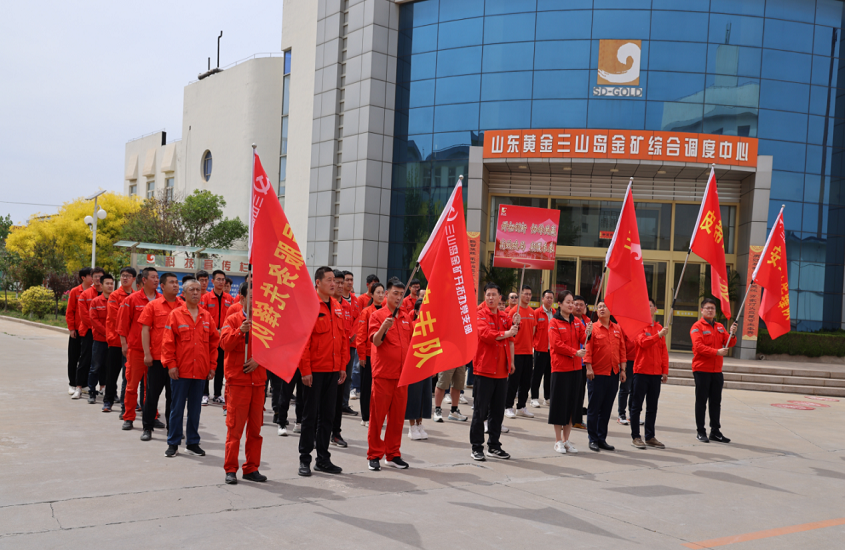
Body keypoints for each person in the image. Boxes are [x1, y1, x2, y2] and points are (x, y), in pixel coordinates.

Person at [297, 266, 348, 477]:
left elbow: (343, 339)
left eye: (334, 280)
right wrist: (305, 370)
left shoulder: (337, 306)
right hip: (314, 371)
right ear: (317, 282)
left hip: (333, 370)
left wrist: (343, 366)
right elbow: (303, 342)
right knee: (310, 417)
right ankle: (304, 459)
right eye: (329, 280)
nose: (333, 284)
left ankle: (323, 459)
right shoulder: (309, 306)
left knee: (327, 416)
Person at [161, 278, 219, 458]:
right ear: (183, 294)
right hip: (181, 371)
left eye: (198, 290)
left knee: (195, 409)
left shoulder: (206, 316)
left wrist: (212, 366)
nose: (195, 293)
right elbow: (167, 343)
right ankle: (173, 443)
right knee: (176, 408)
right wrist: (171, 364)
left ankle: (193, 442)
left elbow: (213, 344)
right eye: (191, 290)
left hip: (200, 371)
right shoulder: (176, 315)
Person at [220, 282, 268, 484]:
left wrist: (259, 359)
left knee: (255, 430)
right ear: (242, 299)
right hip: (238, 383)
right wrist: (240, 330)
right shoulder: (232, 319)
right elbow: (224, 344)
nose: (256, 303)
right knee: (235, 429)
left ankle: (251, 468)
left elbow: (272, 349)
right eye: (252, 298)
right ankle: (231, 468)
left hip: (257, 383)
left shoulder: (266, 321)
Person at [366, 279, 412, 470]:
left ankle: (393, 454)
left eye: (401, 294)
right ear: (386, 294)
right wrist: (384, 326)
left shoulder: (406, 317)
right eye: (395, 293)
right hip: (384, 374)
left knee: (397, 418)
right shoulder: (377, 315)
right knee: (378, 416)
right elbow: (376, 342)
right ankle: (374, 454)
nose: (399, 297)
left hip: (402, 376)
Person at [470, 283, 518, 461]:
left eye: (494, 295)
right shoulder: (480, 314)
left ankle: (494, 445)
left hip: (501, 372)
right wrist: (507, 332)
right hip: (484, 369)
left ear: (500, 298)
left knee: (497, 412)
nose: (490, 298)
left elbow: (511, 338)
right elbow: (487, 335)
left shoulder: (505, 316)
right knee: (480, 411)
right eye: (488, 295)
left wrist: (511, 361)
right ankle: (476, 447)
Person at [138, 272, 182, 441]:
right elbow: (145, 330)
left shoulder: (183, 306)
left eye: (177, 282)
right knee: (152, 396)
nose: (176, 285)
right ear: (162, 286)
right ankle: (147, 427)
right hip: (156, 359)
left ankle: (173, 429)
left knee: (174, 398)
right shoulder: (153, 306)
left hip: (176, 361)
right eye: (171, 282)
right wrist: (147, 353)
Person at [117, 267, 161, 430]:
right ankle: (128, 417)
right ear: (144, 280)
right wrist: (124, 344)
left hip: (156, 351)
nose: (156, 280)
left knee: (152, 387)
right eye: (153, 277)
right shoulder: (132, 300)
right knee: (132, 385)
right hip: (136, 349)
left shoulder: (161, 300)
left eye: (158, 277)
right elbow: (122, 325)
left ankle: (152, 415)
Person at [691, 298, 737, 444]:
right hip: (702, 369)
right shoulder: (696, 327)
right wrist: (716, 352)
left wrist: (733, 334)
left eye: (712, 308)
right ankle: (700, 431)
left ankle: (715, 431)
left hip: (717, 370)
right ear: (702, 310)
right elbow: (698, 347)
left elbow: (729, 342)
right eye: (707, 308)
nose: (710, 310)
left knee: (716, 402)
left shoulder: (719, 327)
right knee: (701, 401)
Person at [548, 291, 589, 454]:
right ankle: (557, 440)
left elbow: (583, 339)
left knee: (573, 406)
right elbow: (556, 344)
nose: (571, 305)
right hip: (560, 369)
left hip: (576, 370)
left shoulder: (577, 322)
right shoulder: (554, 322)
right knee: (560, 406)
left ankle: (566, 440)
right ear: (560, 304)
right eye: (568, 302)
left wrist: (589, 332)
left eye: (573, 302)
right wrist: (574, 352)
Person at [584, 301, 626, 452]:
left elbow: (622, 349)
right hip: (597, 374)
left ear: (611, 310)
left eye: (605, 306)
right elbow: (587, 349)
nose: (601, 309)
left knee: (606, 409)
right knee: (594, 408)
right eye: (599, 306)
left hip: (613, 373)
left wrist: (623, 369)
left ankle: (602, 438)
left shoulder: (617, 328)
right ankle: (593, 439)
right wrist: (588, 367)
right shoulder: (592, 328)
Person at [630, 298, 670, 449]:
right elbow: (643, 343)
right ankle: (635, 436)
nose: (648, 309)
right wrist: (658, 335)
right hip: (641, 372)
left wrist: (664, 370)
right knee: (636, 406)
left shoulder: (659, 328)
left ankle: (650, 436)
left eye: (650, 306)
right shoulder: (640, 327)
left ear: (656, 309)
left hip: (655, 374)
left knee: (652, 406)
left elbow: (663, 352)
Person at [103, 267, 136, 413]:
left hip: (132, 343)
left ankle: (127, 403)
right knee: (112, 373)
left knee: (128, 375)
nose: (125, 278)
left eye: (128, 276)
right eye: (123, 276)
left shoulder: (136, 296)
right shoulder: (114, 296)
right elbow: (117, 319)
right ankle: (108, 401)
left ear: (134, 279)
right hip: (116, 341)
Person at [331, 270, 357, 448]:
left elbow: (353, 327)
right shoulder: (322, 304)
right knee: (323, 400)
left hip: (343, 358)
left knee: (339, 395)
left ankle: (336, 432)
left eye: (343, 283)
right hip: (324, 360)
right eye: (337, 282)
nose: (340, 286)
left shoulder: (347, 306)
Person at [200, 270, 233, 406]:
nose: (221, 282)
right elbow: (202, 317)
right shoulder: (205, 298)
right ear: (212, 281)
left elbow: (232, 318)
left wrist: (224, 331)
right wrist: (214, 331)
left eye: (223, 279)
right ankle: (204, 393)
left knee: (220, 366)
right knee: (207, 365)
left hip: (224, 337)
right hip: (209, 336)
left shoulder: (229, 299)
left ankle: (218, 394)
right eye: (218, 279)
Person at [356, 282, 385, 427]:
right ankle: (365, 417)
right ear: (372, 294)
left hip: (381, 355)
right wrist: (361, 355)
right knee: (366, 387)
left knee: (379, 388)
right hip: (368, 355)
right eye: (377, 292)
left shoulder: (387, 311)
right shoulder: (366, 312)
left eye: (382, 292)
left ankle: (376, 415)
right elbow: (361, 335)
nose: (380, 295)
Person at [505, 285, 536, 419]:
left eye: (530, 294)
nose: (528, 296)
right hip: (516, 352)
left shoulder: (531, 312)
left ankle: (521, 406)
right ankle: (508, 406)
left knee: (526, 382)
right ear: (520, 295)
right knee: (513, 381)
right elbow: (509, 329)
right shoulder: (513, 311)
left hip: (528, 352)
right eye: (525, 294)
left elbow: (533, 331)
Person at [405, 297, 431, 440]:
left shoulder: (431, 326)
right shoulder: (412, 325)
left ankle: (420, 424)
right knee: (414, 396)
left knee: (424, 396)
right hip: (414, 365)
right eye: (422, 309)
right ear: (416, 311)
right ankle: (412, 425)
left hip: (426, 366)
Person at [65, 267, 93, 396]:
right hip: (76, 330)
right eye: (91, 276)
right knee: (73, 357)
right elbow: (70, 311)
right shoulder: (75, 291)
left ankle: (84, 384)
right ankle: (72, 383)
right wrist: (71, 328)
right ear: (83, 277)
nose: (94, 278)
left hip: (88, 330)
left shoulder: (94, 292)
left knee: (86, 358)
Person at [87, 273, 113, 403]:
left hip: (113, 342)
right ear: (101, 285)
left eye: (111, 283)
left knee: (111, 369)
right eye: (107, 283)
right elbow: (94, 320)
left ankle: (111, 393)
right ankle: (92, 391)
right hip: (99, 340)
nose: (110, 286)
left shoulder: (116, 301)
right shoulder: (96, 301)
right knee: (95, 367)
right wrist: (107, 333)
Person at [530, 289, 555, 408]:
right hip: (540, 349)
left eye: (551, 297)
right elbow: (533, 332)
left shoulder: (555, 313)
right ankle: (534, 397)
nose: (549, 299)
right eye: (547, 297)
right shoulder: (537, 313)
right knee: (537, 375)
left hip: (552, 350)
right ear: (543, 299)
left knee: (549, 375)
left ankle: (548, 397)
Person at [341, 271, 361, 404]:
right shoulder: (337, 299)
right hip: (339, 342)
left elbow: (358, 319)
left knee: (348, 374)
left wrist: (352, 335)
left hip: (351, 343)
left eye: (351, 280)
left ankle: (344, 403)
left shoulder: (355, 300)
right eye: (347, 280)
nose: (349, 282)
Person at [571, 295, 590, 430]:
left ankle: (577, 419)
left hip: (583, 362)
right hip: (570, 361)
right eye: (576, 304)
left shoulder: (588, 321)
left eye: (581, 305)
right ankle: (564, 420)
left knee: (580, 393)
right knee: (568, 393)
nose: (578, 307)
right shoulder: (568, 319)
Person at [616, 327, 638, 425]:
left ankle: (632, 415)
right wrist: (622, 366)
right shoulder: (624, 327)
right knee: (625, 389)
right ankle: (621, 414)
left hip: (638, 361)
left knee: (635, 389)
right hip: (627, 361)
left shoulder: (642, 327)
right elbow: (621, 347)